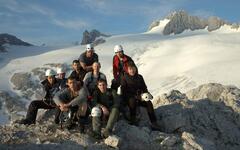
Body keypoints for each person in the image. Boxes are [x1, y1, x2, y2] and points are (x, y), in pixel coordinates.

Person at [120, 63, 161, 131]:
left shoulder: (139, 77)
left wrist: (147, 94)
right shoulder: (124, 78)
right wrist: (137, 97)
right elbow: (124, 92)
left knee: (148, 103)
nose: (132, 70)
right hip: (129, 98)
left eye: (133, 68)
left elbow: (144, 88)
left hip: (139, 97)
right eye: (130, 69)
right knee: (132, 101)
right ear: (127, 70)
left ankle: (154, 122)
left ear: (136, 68)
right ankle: (133, 120)